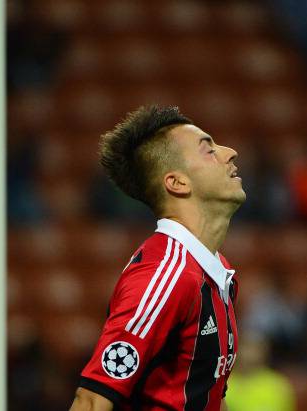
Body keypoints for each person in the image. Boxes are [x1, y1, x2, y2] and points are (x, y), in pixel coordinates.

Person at [70, 106, 246, 410]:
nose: (230, 152)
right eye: (208, 150)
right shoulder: (166, 277)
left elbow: (207, 394)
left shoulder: (218, 270)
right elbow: (90, 401)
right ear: (177, 183)